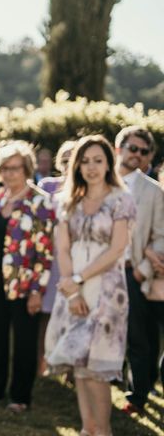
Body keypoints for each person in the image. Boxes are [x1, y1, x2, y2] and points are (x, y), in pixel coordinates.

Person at [45, 135, 136, 436]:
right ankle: (88, 429)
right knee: (79, 364)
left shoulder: (121, 199)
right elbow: (62, 249)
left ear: (110, 162)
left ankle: (104, 431)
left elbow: (117, 248)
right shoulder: (67, 200)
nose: (91, 167)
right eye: (85, 161)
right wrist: (71, 290)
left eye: (98, 160)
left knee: (97, 368)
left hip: (107, 290)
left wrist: (79, 280)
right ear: (76, 165)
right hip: (74, 290)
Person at [0, 140, 54, 412]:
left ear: (27, 168)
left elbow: (45, 251)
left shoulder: (39, 201)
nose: (10, 173)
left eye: (16, 168)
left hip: (25, 284)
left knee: (24, 341)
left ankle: (20, 397)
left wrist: (37, 289)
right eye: (5, 168)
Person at [113, 126, 164, 414]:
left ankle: (137, 395)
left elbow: (160, 235)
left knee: (138, 337)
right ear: (119, 148)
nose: (138, 155)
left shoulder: (153, 191)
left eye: (144, 152)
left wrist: (142, 271)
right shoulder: (101, 182)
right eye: (133, 148)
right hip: (98, 270)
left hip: (132, 272)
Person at [36, 140, 77, 373]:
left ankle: (70, 366)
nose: (68, 163)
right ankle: (43, 363)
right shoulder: (48, 185)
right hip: (49, 259)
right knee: (46, 312)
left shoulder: (87, 188)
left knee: (72, 312)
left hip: (74, 258)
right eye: (64, 159)